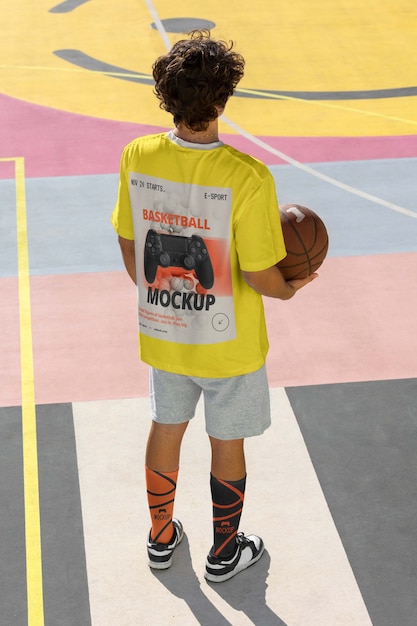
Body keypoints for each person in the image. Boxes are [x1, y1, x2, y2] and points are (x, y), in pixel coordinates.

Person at [111, 30, 317, 583]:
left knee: (166, 424)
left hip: (164, 327)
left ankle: (160, 537)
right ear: (223, 101)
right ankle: (225, 552)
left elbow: (131, 241)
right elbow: (260, 273)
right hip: (229, 343)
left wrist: (153, 292)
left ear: (166, 98)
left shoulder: (138, 155)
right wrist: (293, 287)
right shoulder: (248, 178)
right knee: (226, 439)